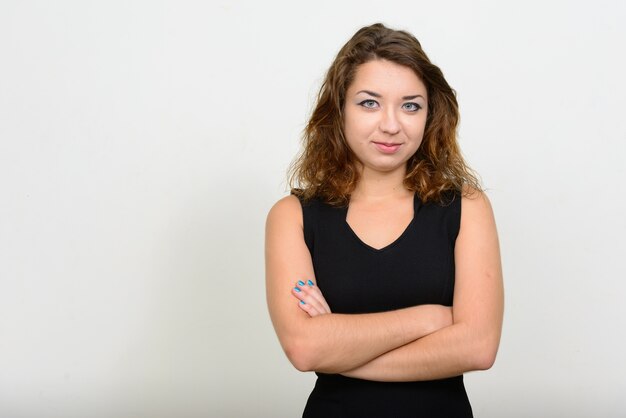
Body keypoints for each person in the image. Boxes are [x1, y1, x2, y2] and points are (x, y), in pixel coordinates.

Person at [265, 23, 504, 417]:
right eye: (369, 103)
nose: (391, 124)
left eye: (410, 105)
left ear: (431, 114)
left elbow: (478, 347)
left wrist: (339, 349)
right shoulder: (292, 217)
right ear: (339, 108)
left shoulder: (466, 208)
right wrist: (431, 318)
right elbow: (304, 348)